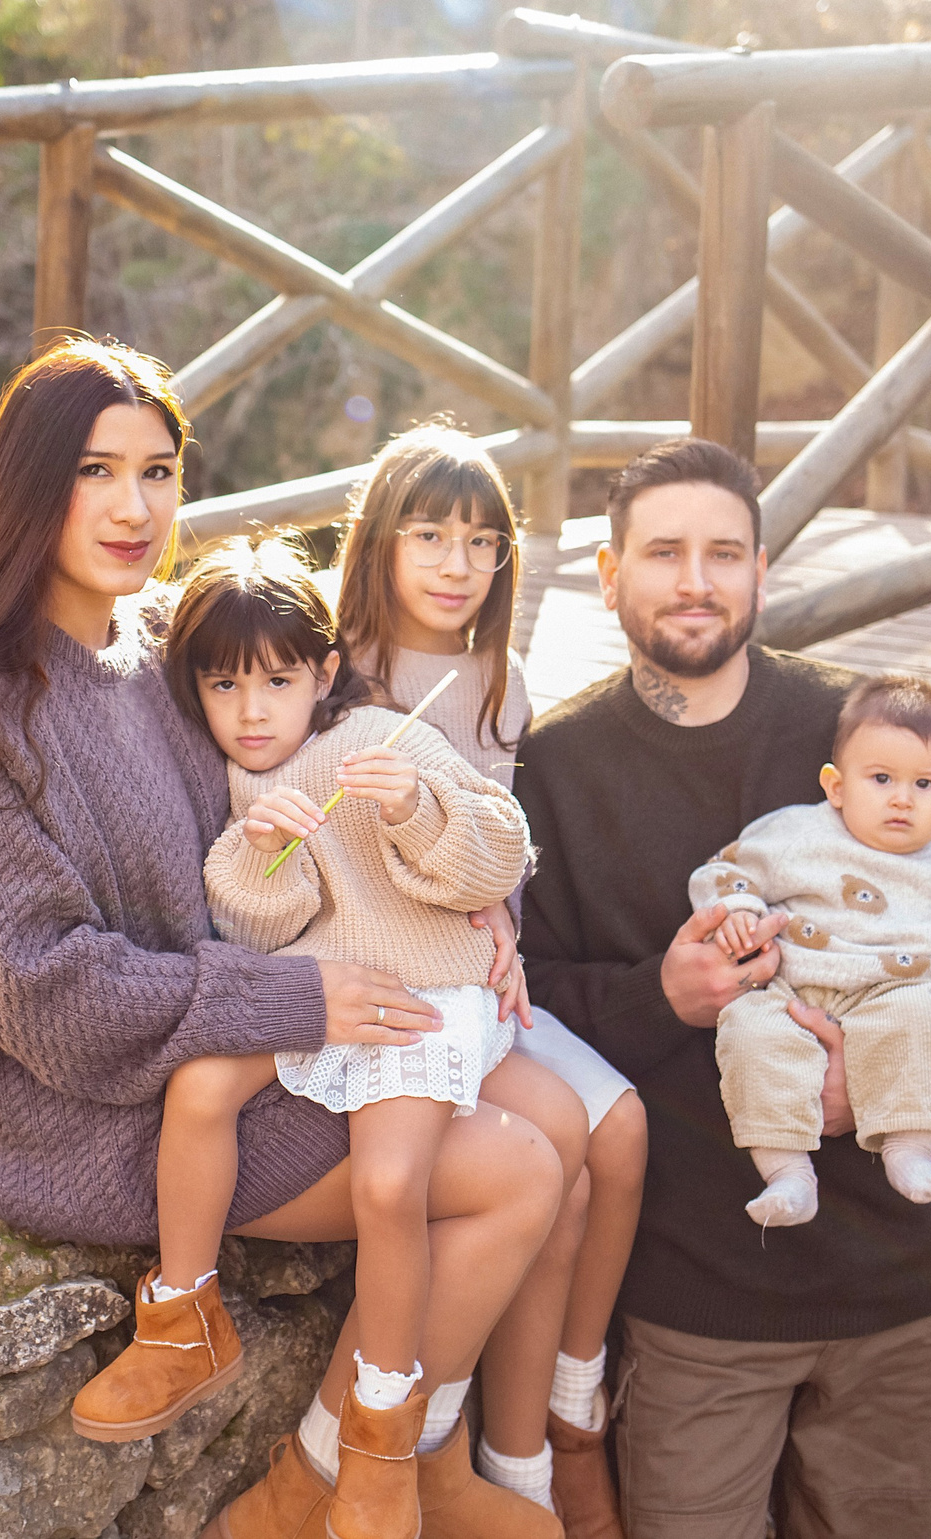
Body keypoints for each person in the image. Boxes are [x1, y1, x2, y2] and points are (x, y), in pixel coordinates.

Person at [0, 338, 565, 1539]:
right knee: (517, 1171)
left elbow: (345, 745)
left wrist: (479, 908)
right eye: (94, 472)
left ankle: (397, 1466)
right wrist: (301, 1005)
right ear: (24, 487)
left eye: (157, 472)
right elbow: (47, 994)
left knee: (565, 1126)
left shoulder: (163, 638)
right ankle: (335, 1475)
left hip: (200, 1047)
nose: (132, 506)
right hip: (78, 1104)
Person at [514, 437, 931, 1539]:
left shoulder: (863, 735)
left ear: (761, 573)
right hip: (700, 1295)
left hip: (906, 1281)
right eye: (662, 553)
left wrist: (894, 1099)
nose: (694, 580)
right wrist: (664, 995)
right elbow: (523, 1000)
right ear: (608, 578)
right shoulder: (555, 772)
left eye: (723, 553)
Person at [73, 538, 533, 1539]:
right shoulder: (240, 783)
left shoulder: (379, 735)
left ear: (321, 675)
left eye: (277, 682)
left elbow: (499, 850)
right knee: (199, 1086)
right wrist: (260, 851)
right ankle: (183, 1314)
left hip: (416, 999)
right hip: (315, 998)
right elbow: (254, 934)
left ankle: (378, 1432)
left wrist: (416, 808)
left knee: (386, 1187)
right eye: (223, 684)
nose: (249, 712)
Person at [335, 424, 645, 1537]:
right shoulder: (336, 675)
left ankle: (565, 1418)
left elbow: (495, 844)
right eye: (429, 533)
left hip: (482, 974)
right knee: (557, 1154)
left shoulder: (498, 680)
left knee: (622, 1130)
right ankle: (463, 1448)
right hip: (396, 985)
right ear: (378, 539)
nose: (457, 562)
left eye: (481, 541)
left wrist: (501, 928)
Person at [691, 673, 931, 1228]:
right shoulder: (795, 835)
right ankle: (787, 1174)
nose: (901, 798)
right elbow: (727, 870)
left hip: (896, 988)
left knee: (922, 1025)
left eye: (924, 785)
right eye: (880, 778)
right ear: (837, 786)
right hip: (789, 986)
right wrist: (738, 911)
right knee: (751, 1035)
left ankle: (910, 1150)